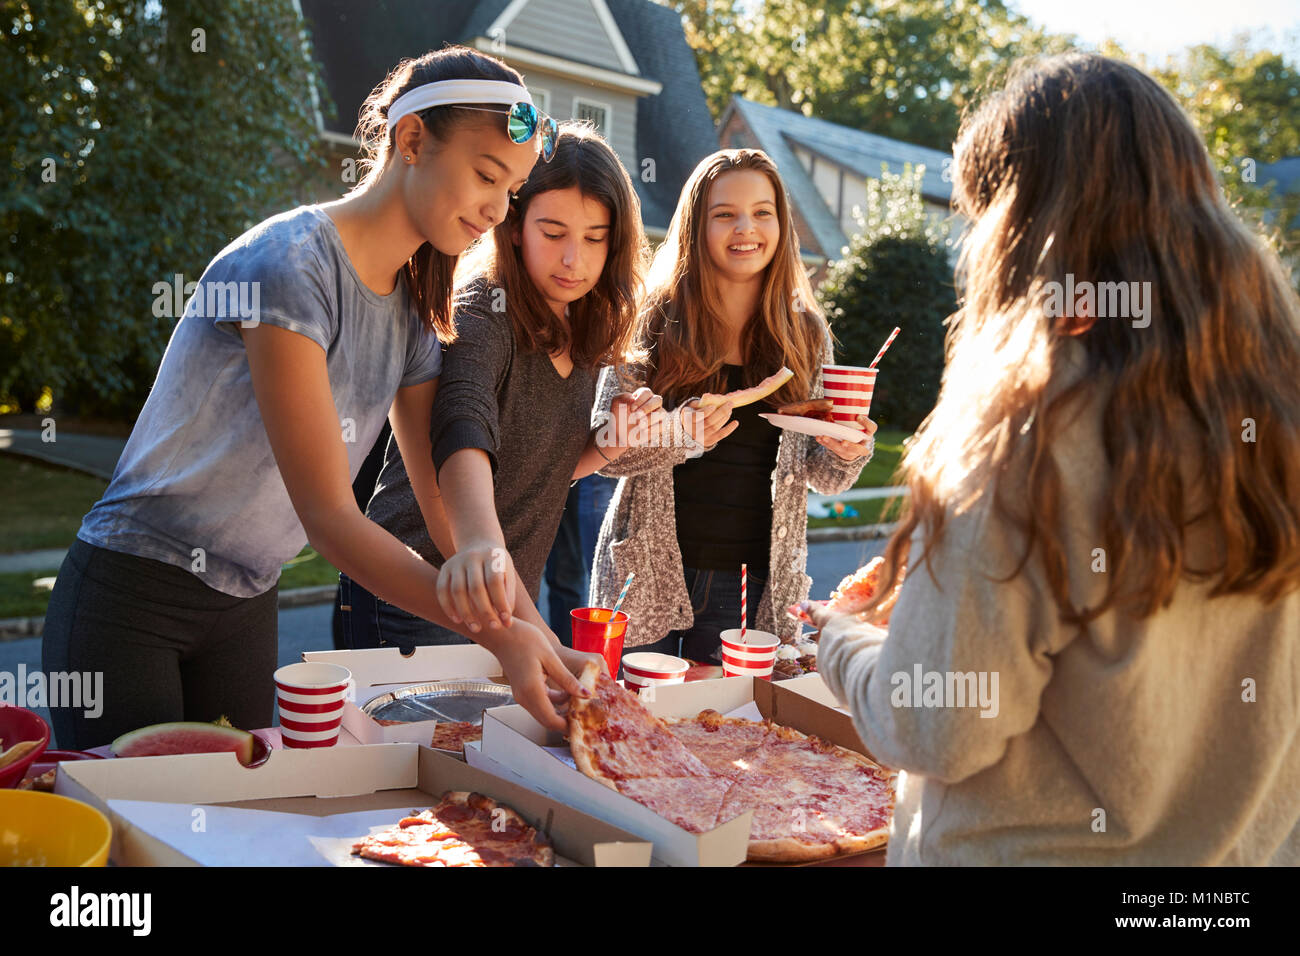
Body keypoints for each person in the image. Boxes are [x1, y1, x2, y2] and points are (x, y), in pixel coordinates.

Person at [813, 52, 1300, 865]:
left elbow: (938, 727)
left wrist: (842, 639)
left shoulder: (1030, 429)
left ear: (1020, 228)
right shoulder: (1276, 409)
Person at [42, 47, 594, 747]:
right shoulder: (289, 267)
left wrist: (540, 640)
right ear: (412, 139)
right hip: (133, 596)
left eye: (512, 190)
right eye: (487, 175)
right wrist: (494, 633)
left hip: (245, 604)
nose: (497, 209)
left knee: (238, 837)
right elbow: (331, 518)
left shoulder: (419, 311)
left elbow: (447, 514)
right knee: (142, 841)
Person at [335, 122, 662, 651]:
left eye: (594, 239)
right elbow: (463, 425)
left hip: (503, 595)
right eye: (553, 233)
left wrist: (604, 449)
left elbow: (532, 468)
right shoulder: (482, 310)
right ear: (514, 226)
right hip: (414, 592)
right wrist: (537, 630)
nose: (572, 259)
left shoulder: (581, 331)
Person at [589, 149, 876, 663]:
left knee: (729, 733)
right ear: (697, 226)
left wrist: (847, 449)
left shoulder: (804, 334)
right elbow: (606, 452)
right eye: (725, 214)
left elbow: (827, 478)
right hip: (643, 571)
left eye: (762, 212)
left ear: (781, 223)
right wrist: (683, 437)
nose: (746, 228)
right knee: (629, 726)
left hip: (750, 585)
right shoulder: (651, 319)